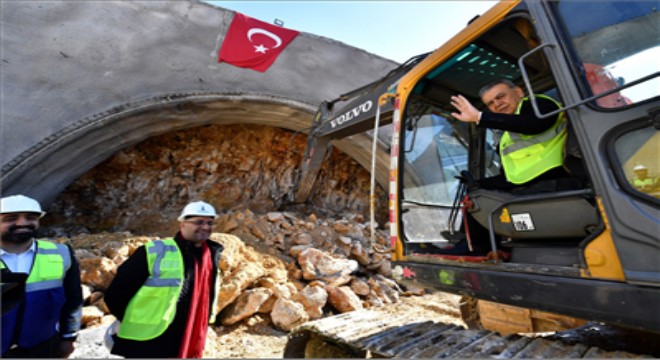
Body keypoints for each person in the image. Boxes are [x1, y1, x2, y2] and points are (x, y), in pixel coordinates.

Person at [104, 201, 224, 358]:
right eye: (199, 222)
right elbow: (116, 293)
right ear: (183, 224)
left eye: (209, 223)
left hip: (186, 337)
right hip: (146, 341)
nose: (206, 227)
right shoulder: (154, 251)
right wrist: (132, 319)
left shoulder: (210, 256)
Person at [1, 195, 83, 358]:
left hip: (42, 346)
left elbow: (73, 299)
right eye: (10, 218)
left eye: (31, 217)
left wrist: (68, 337)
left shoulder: (61, 253)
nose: (22, 223)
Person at [450, 79, 569, 191]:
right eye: (490, 103)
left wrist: (480, 117)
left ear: (518, 92)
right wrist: (477, 184)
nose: (497, 104)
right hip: (532, 188)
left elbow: (534, 124)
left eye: (500, 96)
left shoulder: (540, 104)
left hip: (559, 181)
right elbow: (510, 177)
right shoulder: (506, 137)